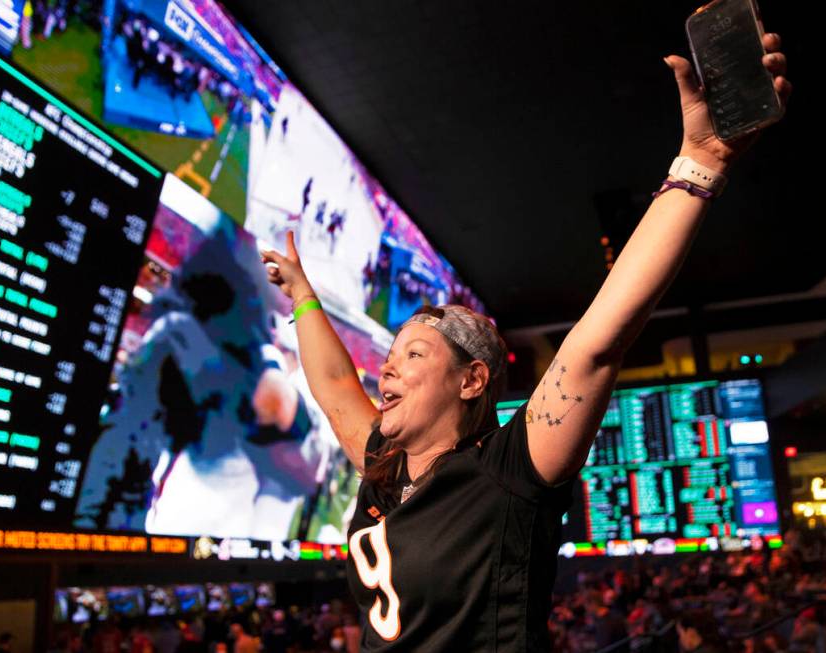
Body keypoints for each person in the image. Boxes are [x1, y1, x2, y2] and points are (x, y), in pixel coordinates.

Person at [260, 34, 790, 651]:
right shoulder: (384, 465)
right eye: (391, 355)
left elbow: (595, 344)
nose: (387, 370)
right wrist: (300, 292)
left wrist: (701, 163)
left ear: (471, 380)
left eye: (414, 353)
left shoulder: (507, 472)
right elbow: (331, 386)